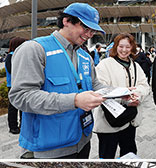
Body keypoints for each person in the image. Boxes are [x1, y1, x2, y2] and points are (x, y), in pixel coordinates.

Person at [9, 3, 109, 159]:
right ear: (66, 21)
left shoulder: (84, 56)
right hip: (48, 150)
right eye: (85, 28)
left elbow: (95, 85)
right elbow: (21, 96)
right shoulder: (35, 49)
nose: (90, 34)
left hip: (82, 142)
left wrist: (118, 94)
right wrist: (74, 100)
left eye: (93, 30)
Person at [92, 33, 149, 159]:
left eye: (128, 47)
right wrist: (124, 93)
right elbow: (100, 88)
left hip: (129, 120)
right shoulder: (105, 64)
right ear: (115, 46)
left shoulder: (135, 65)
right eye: (121, 46)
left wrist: (136, 95)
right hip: (109, 120)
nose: (124, 50)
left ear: (132, 48)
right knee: (107, 155)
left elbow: (144, 85)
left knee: (129, 154)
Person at [5, 37, 27, 135]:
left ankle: (23, 125)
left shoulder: (19, 55)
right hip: (13, 85)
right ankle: (13, 127)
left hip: (21, 84)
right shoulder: (10, 56)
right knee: (13, 107)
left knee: (23, 106)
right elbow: (13, 70)